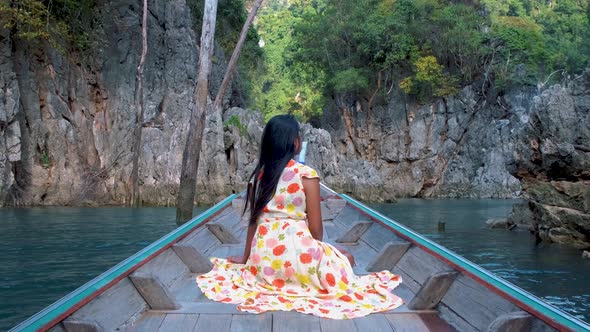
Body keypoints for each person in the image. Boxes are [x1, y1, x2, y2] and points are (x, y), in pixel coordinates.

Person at [196, 114, 403, 319]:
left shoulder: (257, 178)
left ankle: (283, 277)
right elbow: (316, 232)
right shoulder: (306, 175)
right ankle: (303, 277)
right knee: (346, 257)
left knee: (335, 256)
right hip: (298, 258)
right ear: (295, 142)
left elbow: (253, 223)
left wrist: (246, 258)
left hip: (262, 265)